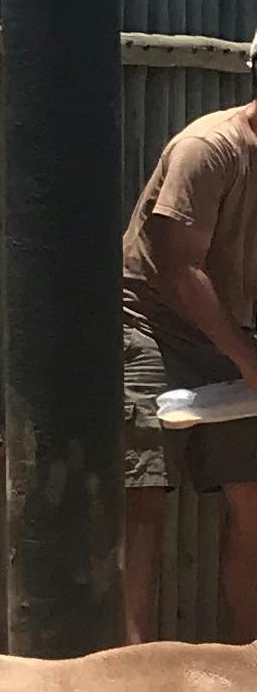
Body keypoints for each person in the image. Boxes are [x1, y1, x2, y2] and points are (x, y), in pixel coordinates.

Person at [123, 38, 257, 642]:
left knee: (252, 499)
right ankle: (130, 667)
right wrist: (247, 359)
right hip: (150, 322)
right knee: (142, 494)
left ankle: (247, 666)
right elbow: (181, 269)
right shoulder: (208, 148)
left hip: (235, 330)